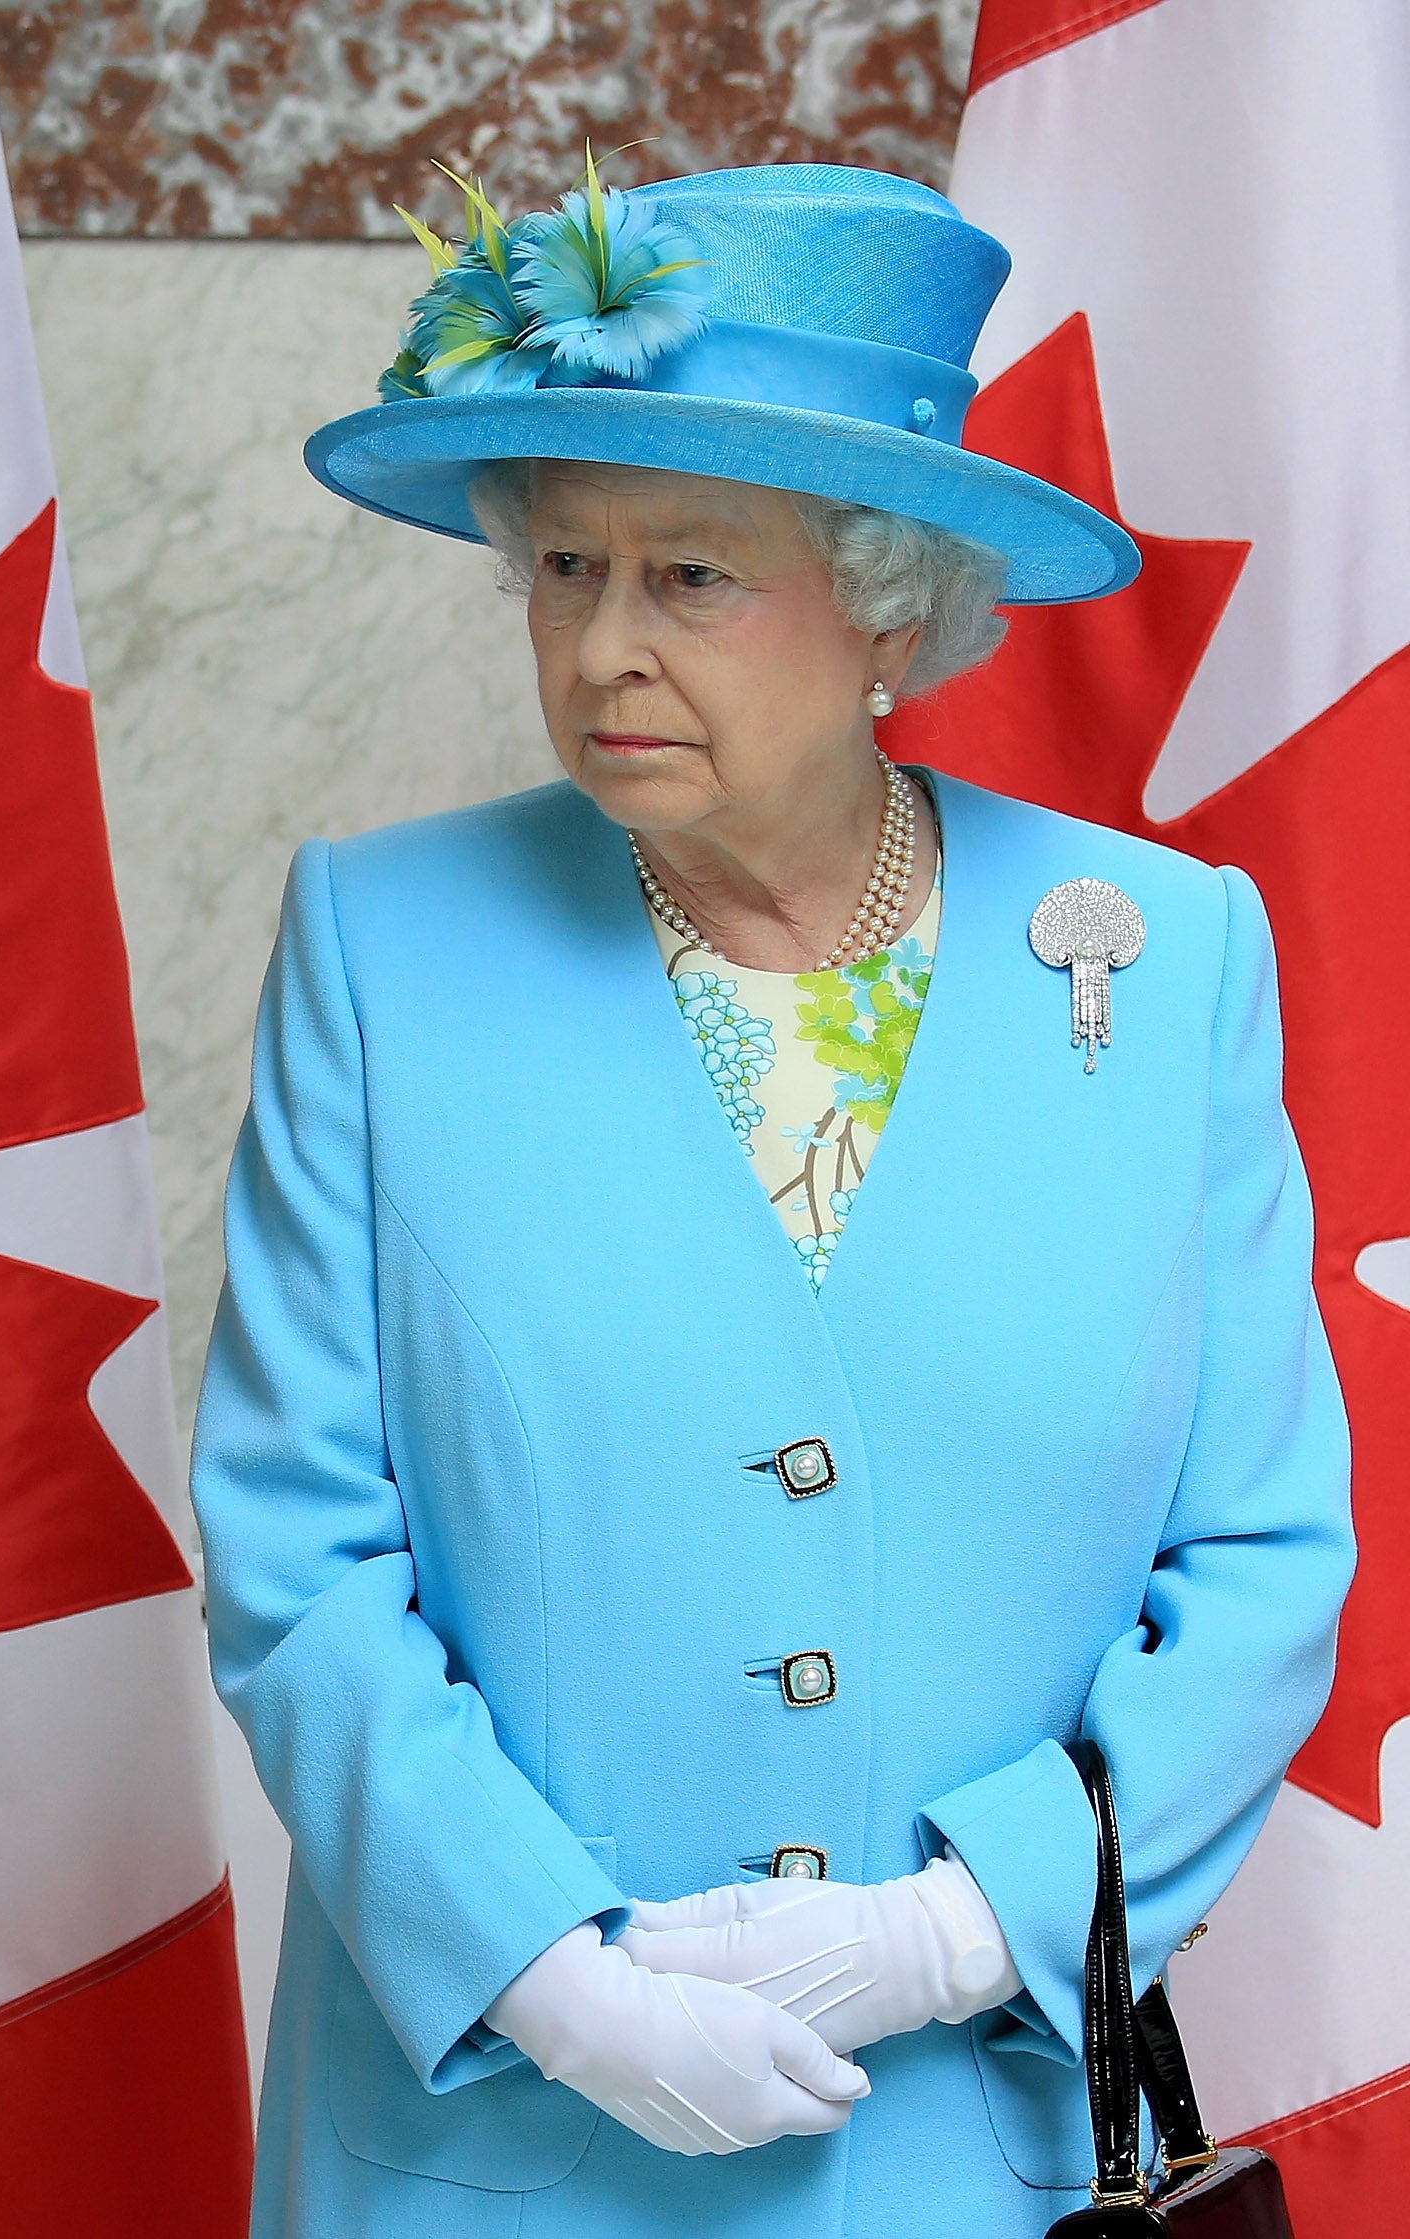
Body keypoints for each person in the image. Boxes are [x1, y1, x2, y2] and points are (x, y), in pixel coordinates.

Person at [190, 161, 1355, 2238]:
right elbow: (300, 1546)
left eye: (693, 576)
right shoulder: (385, 945)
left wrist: (959, 1929)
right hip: (494, 2161)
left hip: (975, 2161)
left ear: (888, 592)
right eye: (564, 565)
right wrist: (546, 1975)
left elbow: (1263, 1553)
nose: (605, 645)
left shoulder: (1161, 962)